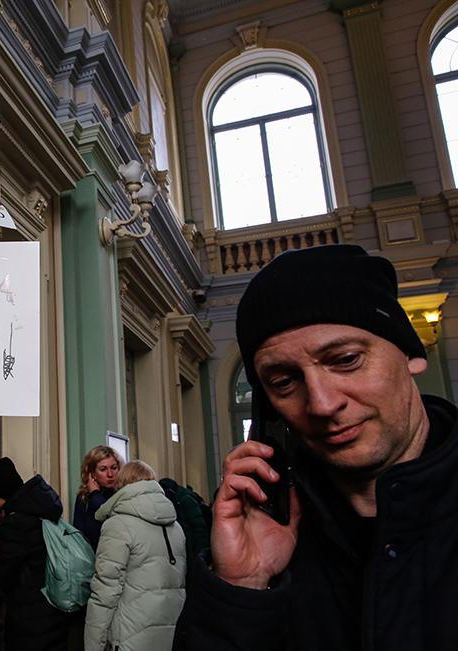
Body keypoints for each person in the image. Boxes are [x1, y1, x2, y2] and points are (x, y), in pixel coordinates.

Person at [174, 245, 458, 650]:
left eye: (345, 360)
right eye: (285, 382)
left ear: (410, 352)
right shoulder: (270, 541)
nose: (322, 404)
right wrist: (240, 589)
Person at [85, 460, 186, 651]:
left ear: (122, 484)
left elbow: (105, 593)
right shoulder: (176, 527)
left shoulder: (118, 525)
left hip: (129, 637)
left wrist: (93, 645)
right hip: (171, 635)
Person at [0, 457, 67, 651]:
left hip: (30, 620)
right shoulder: (40, 513)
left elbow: (4, 575)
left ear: (1, 494)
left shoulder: (16, 523)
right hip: (52, 612)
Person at [72, 445, 123, 550]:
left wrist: (95, 494)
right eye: (103, 469)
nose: (110, 474)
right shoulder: (84, 497)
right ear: (92, 474)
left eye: (114, 468)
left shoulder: (124, 493)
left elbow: (110, 517)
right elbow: (78, 536)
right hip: (90, 560)